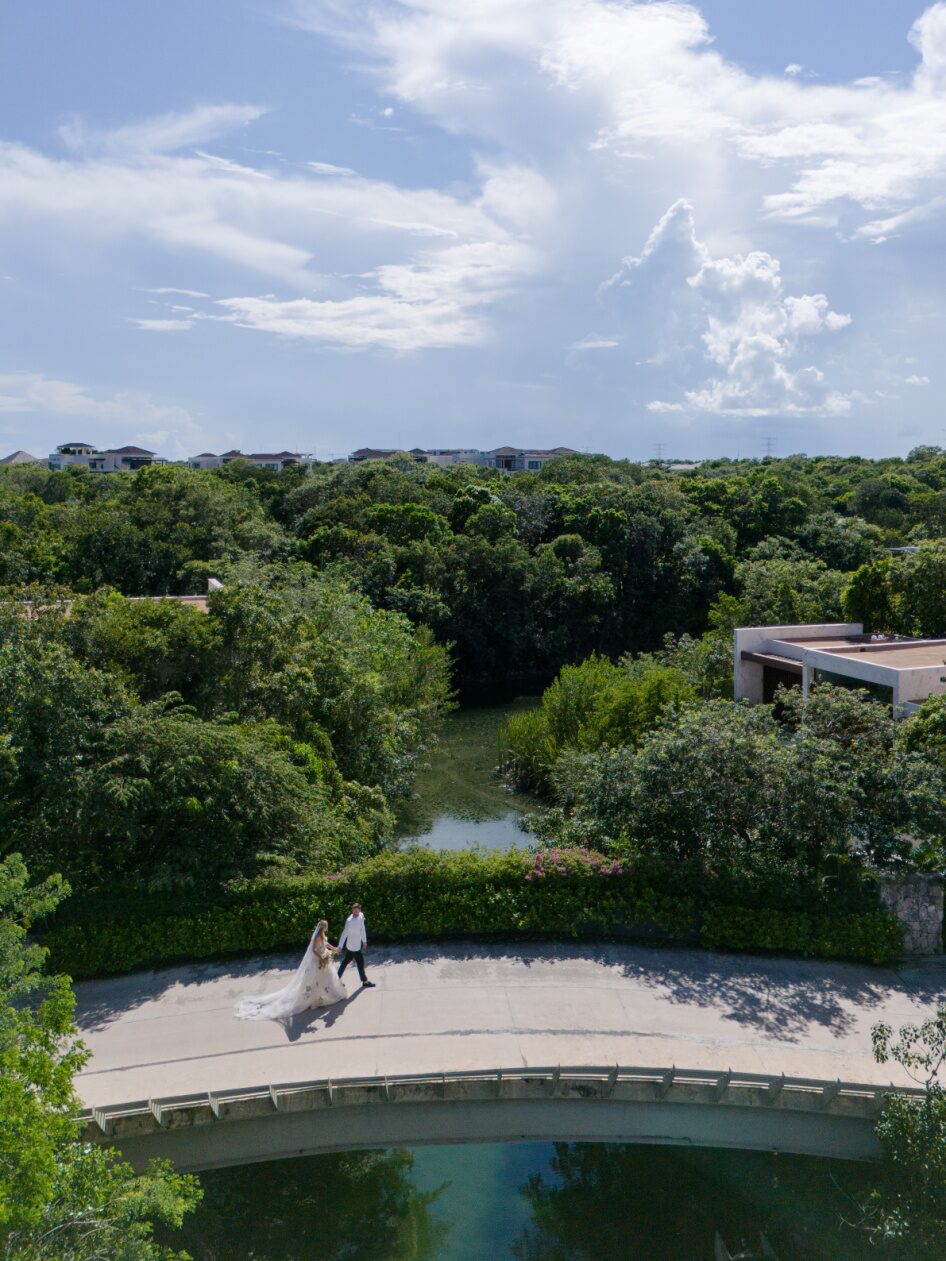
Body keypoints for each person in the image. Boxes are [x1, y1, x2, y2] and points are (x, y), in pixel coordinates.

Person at [234, 920, 347, 1020]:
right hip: (318, 960)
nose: (327, 928)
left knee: (327, 977)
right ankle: (317, 998)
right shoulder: (317, 937)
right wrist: (321, 956)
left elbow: (325, 944)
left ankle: (328, 994)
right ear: (323, 927)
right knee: (315, 980)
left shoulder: (322, 935)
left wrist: (334, 949)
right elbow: (314, 949)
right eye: (326, 926)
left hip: (324, 958)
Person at [336, 903, 375, 988]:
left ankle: (336, 979)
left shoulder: (361, 916)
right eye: (354, 911)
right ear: (352, 910)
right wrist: (340, 945)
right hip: (353, 947)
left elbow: (362, 929)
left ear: (360, 910)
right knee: (360, 962)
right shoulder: (349, 920)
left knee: (345, 962)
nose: (356, 913)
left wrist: (364, 941)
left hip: (356, 945)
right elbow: (345, 933)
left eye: (357, 911)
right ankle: (365, 981)